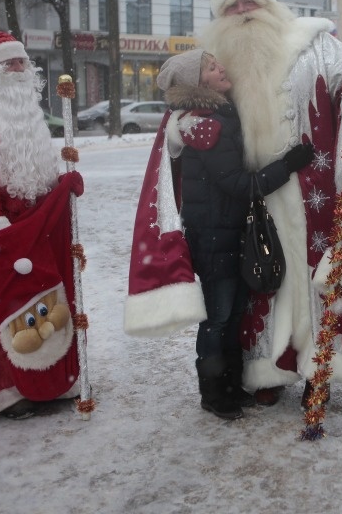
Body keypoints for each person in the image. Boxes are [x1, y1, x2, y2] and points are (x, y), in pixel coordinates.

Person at [200, 0, 342, 407]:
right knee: (260, 282)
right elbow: (190, 108)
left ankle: (317, 368)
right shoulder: (213, 62)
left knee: (313, 280)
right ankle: (265, 369)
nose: (243, 9)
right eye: (232, 4)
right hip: (249, 195)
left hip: (314, 192)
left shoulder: (315, 44)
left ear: (271, 4)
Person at [123, 48, 314, 420]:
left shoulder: (217, 115)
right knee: (217, 317)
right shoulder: (204, 125)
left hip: (227, 233)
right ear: (198, 83)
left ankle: (230, 383)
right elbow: (241, 184)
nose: (221, 68)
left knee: (231, 315)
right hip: (214, 238)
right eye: (211, 67)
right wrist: (287, 165)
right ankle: (213, 391)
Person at [0, 31, 83, 418]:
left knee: (47, 306)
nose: (19, 69)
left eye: (22, 62)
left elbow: (36, 176)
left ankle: (53, 381)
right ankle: (5, 392)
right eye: (9, 63)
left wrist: (62, 187)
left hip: (37, 232)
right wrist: (0, 239)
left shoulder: (28, 116)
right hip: (0, 236)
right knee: (2, 313)